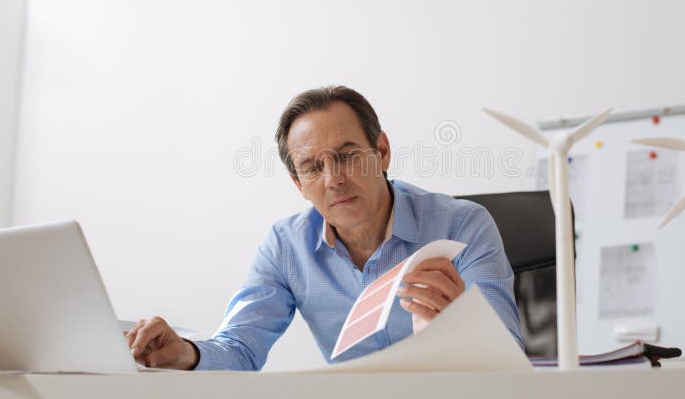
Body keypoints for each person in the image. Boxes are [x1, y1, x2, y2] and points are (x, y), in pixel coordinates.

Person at [126, 85, 522, 370]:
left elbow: (509, 355)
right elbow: (241, 348)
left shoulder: (462, 224)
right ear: (298, 184)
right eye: (313, 167)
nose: (333, 179)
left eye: (347, 156)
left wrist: (460, 330)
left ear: (381, 152)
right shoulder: (285, 247)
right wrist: (186, 354)